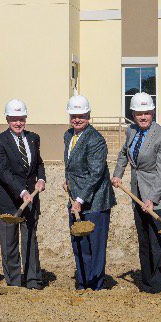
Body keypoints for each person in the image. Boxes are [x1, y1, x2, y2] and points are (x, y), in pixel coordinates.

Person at [111, 92, 161, 294]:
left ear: (153, 112)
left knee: (158, 242)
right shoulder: (131, 131)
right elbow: (124, 153)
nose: (143, 117)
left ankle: (159, 284)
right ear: (133, 113)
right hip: (138, 195)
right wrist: (118, 173)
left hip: (160, 198)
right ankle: (147, 282)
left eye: (147, 113)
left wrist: (153, 199)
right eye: (139, 113)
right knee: (144, 240)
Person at [0, 99, 46, 290]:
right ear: (7, 119)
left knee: (30, 240)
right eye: (14, 119)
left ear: (25, 118)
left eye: (21, 119)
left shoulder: (33, 138)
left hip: (31, 199)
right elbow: (3, 172)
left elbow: (39, 163)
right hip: (8, 199)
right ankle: (14, 282)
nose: (18, 123)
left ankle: (33, 280)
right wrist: (22, 192)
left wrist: (41, 179)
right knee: (9, 244)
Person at [62, 94, 116, 290]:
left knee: (95, 246)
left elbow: (95, 174)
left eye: (81, 115)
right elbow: (71, 165)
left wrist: (80, 198)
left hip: (95, 201)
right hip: (76, 198)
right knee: (79, 243)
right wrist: (68, 181)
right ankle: (83, 283)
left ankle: (95, 285)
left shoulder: (96, 140)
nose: (77, 119)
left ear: (89, 115)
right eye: (73, 115)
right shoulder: (69, 135)